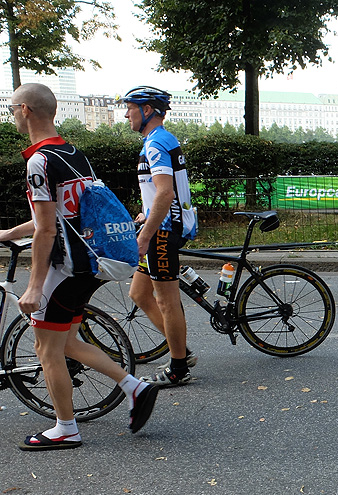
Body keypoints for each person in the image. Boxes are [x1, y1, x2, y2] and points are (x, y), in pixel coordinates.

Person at [0, 83, 157, 451]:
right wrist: (8, 232)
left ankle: (65, 428)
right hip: (88, 264)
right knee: (67, 342)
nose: (11, 116)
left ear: (26, 110)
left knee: (46, 349)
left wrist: (35, 286)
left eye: (11, 109)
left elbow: (46, 228)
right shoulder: (73, 153)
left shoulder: (38, 161)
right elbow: (58, 216)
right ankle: (135, 387)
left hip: (63, 269)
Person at [122, 86, 197, 386]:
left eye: (130, 107)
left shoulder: (156, 143)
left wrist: (145, 235)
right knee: (139, 294)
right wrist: (145, 212)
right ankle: (182, 350)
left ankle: (179, 367)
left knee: (166, 301)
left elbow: (165, 192)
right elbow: (159, 194)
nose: (126, 113)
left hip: (163, 232)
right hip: (159, 225)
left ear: (148, 110)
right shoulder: (157, 141)